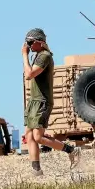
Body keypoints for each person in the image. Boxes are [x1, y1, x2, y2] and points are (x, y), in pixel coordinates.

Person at [22, 28, 82, 176]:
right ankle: (36, 170)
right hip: (34, 100)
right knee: (29, 136)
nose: (28, 46)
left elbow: (29, 74)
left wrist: (24, 55)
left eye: (30, 42)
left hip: (42, 101)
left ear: (40, 43)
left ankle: (72, 150)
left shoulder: (45, 56)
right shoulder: (38, 56)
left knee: (38, 137)